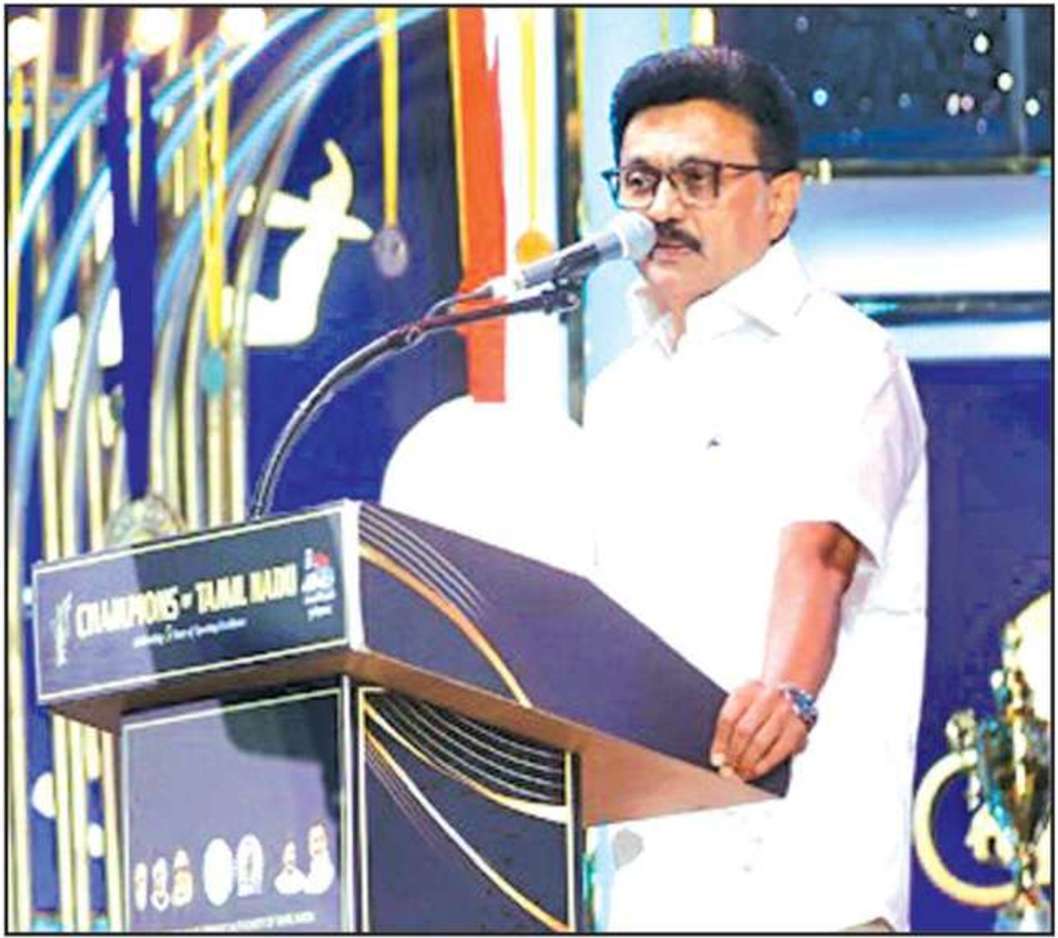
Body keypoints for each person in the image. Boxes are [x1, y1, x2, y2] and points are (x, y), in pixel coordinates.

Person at [583, 45, 928, 932]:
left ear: (780, 200)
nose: (662, 208)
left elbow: (821, 555)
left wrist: (786, 693)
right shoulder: (620, 395)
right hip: (653, 896)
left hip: (806, 887)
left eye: (697, 179)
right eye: (640, 181)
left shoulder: (842, 356)